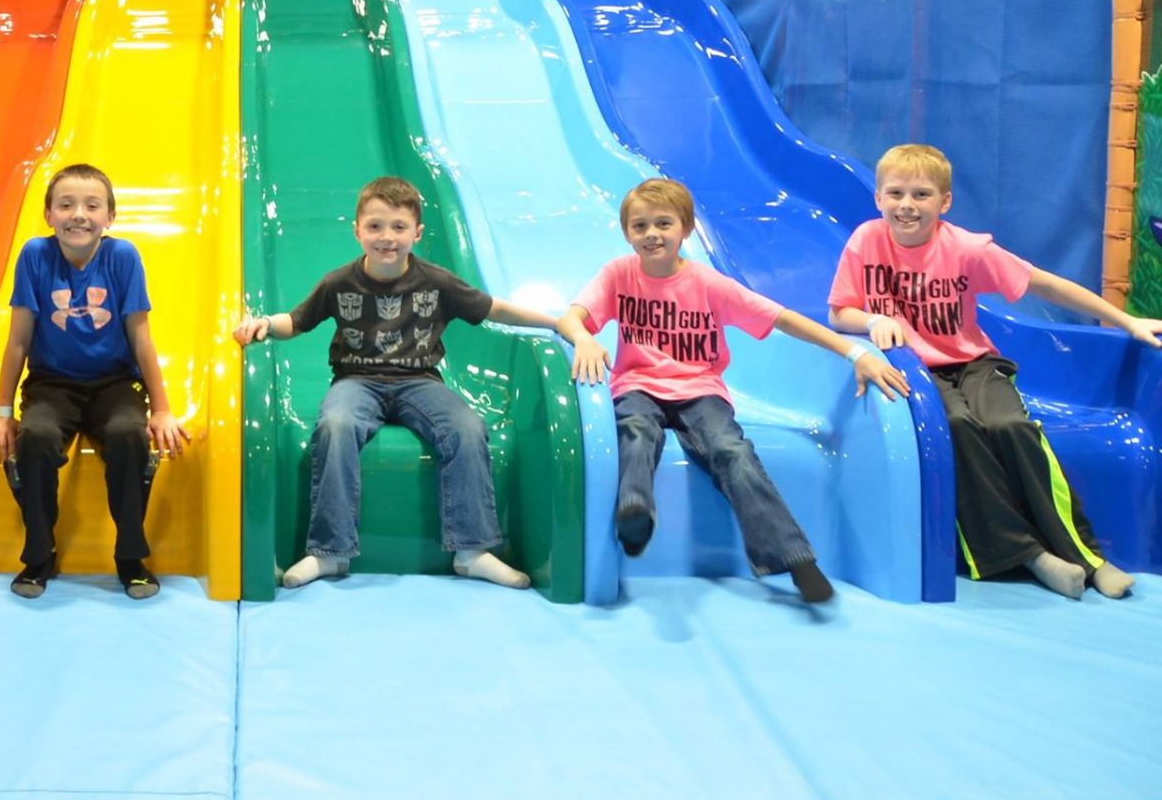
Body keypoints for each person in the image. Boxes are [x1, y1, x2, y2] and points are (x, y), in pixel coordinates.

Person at [558, 178, 910, 604]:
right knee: (634, 428)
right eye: (640, 225)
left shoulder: (709, 285)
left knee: (732, 451)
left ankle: (794, 557)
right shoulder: (618, 274)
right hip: (638, 384)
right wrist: (584, 338)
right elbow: (571, 317)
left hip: (700, 390)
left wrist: (855, 353)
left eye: (664, 223)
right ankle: (635, 512)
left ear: (686, 229)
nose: (652, 234)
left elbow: (782, 318)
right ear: (627, 232)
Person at [829, 144, 1153, 599]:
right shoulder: (866, 241)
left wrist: (1126, 321)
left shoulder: (964, 249)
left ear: (945, 202)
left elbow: (1044, 283)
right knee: (956, 428)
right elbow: (839, 312)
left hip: (974, 364)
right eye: (896, 193)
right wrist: (872, 320)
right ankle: (1030, 556)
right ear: (878, 197)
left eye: (921, 194)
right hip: (918, 372)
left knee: (1010, 426)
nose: (907, 205)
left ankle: (1090, 558)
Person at [232, 175, 556, 590]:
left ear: (416, 233)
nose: (387, 237)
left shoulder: (436, 282)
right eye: (375, 226)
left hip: (419, 381)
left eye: (399, 227)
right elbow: (296, 321)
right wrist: (264, 323)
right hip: (357, 380)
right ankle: (330, 553)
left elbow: (493, 308)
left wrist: (555, 322)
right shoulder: (338, 283)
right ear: (357, 231)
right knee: (336, 426)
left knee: (466, 427)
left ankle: (472, 551)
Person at [0, 164, 187, 599]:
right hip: (52, 384)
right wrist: (2, 413)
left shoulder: (122, 257)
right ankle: (39, 554)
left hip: (115, 383)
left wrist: (162, 409)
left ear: (110, 217)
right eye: (66, 205)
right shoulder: (35, 256)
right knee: (36, 438)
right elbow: (18, 341)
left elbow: (141, 338)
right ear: (48, 214)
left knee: (128, 436)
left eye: (92, 206)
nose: (78, 214)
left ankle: (131, 557)